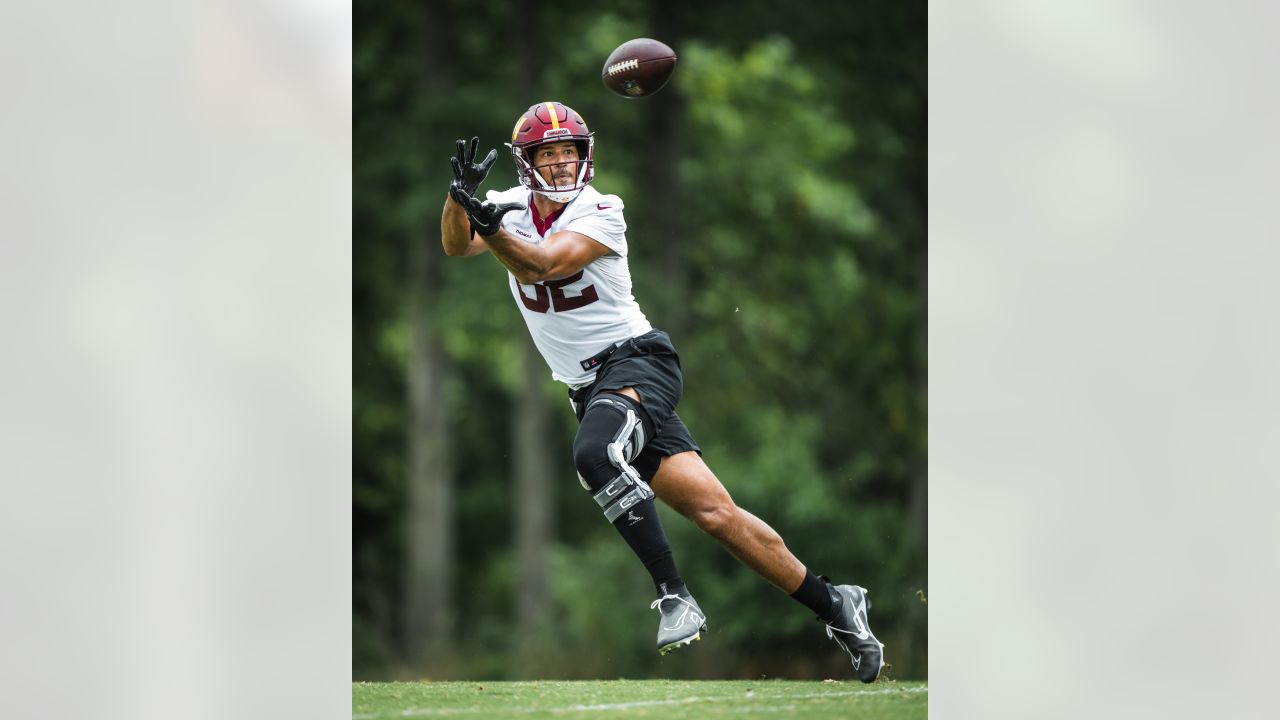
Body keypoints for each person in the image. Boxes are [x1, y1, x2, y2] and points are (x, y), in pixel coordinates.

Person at [440, 101, 885, 682]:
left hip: (637, 361)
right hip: (591, 386)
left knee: (596, 454)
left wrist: (491, 225)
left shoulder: (602, 209)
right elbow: (455, 246)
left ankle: (673, 595)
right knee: (716, 514)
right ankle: (838, 605)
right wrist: (457, 198)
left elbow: (543, 267)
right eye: (549, 155)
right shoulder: (509, 205)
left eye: (570, 152)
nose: (562, 164)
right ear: (527, 162)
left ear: (586, 156)